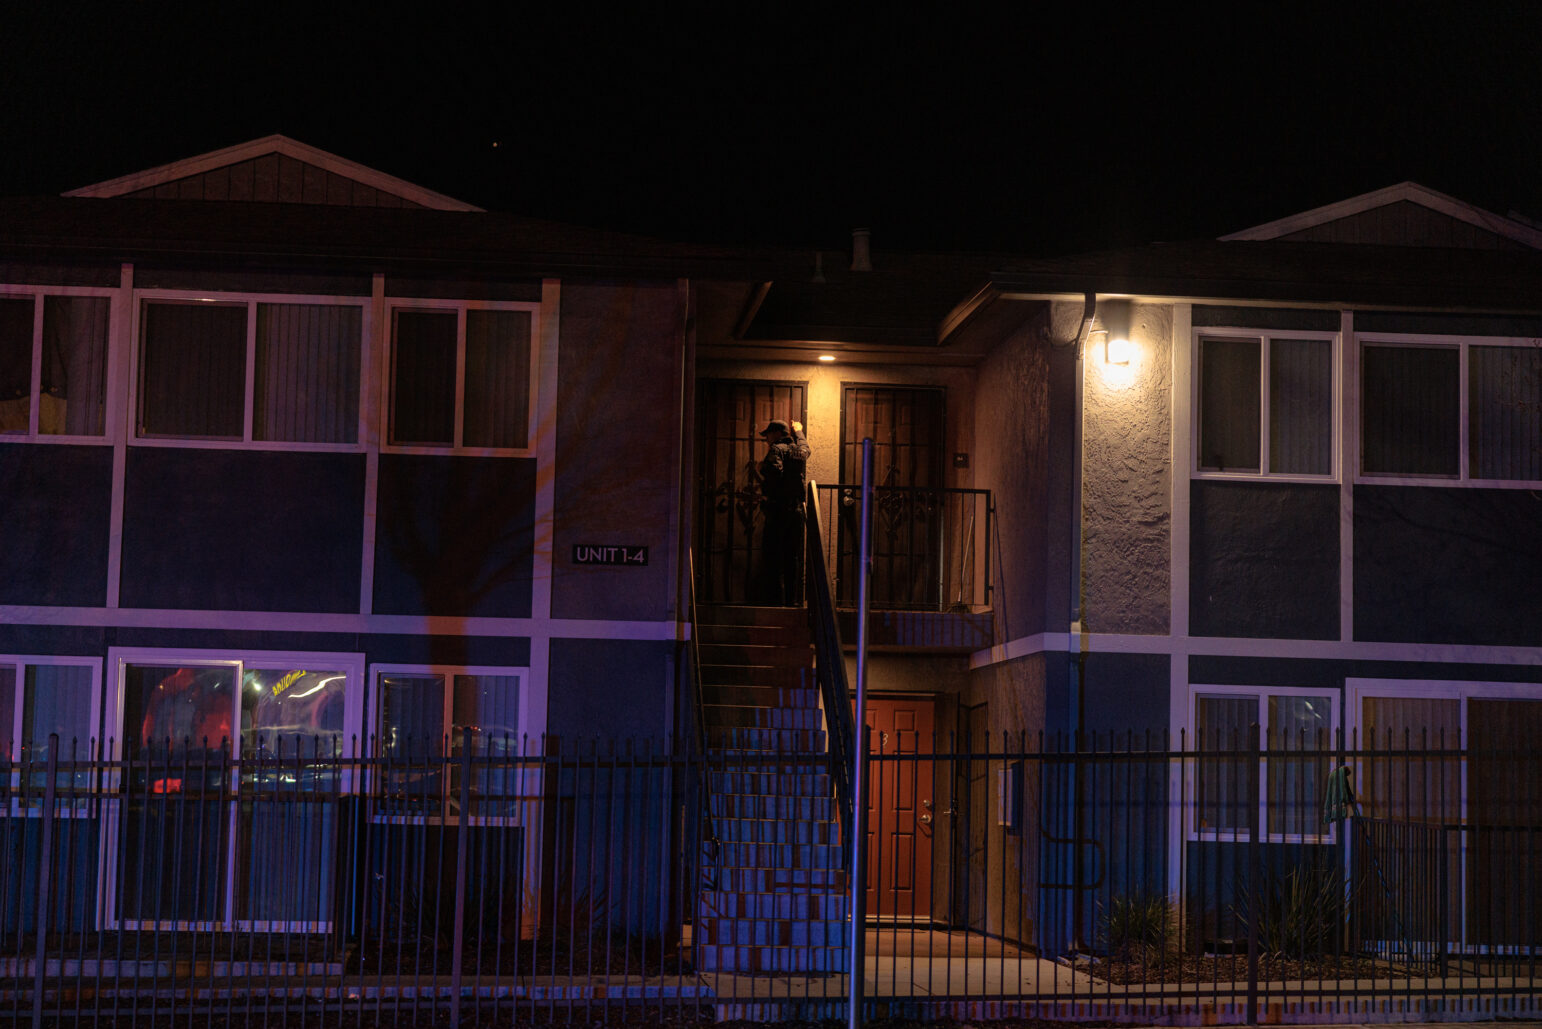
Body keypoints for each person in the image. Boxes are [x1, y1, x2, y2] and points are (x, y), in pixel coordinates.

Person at [756, 418, 810, 605]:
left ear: (777, 433)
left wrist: (761, 468)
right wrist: (799, 432)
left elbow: (774, 471)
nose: (767, 439)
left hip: (778, 510)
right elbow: (806, 449)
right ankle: (791, 601)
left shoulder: (776, 449)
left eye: (768, 435)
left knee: (773, 556)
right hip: (795, 511)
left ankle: (775, 602)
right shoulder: (798, 450)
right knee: (791, 557)